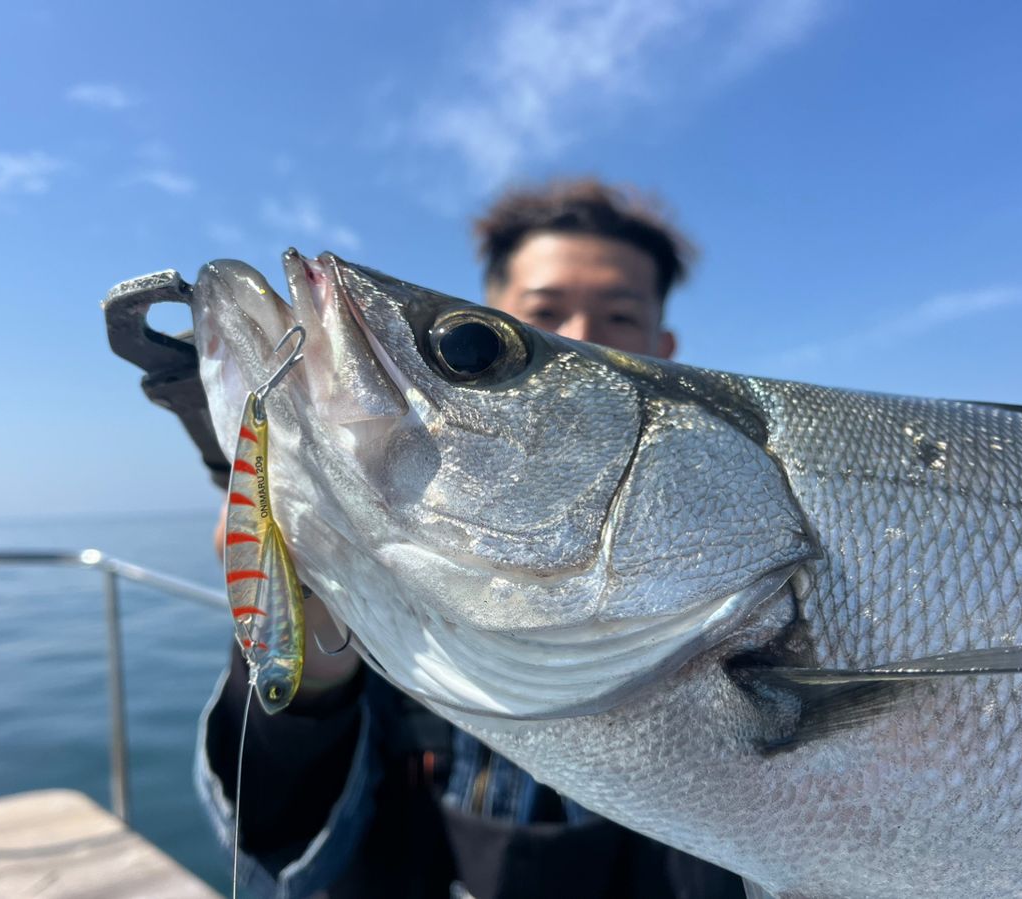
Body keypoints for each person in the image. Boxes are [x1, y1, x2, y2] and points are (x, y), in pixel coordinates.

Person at [196, 178, 747, 899]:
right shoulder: (410, 563)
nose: (580, 335)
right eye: (533, 321)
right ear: (495, 307)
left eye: (617, 314)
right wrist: (317, 661)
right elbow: (273, 826)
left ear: (664, 348)